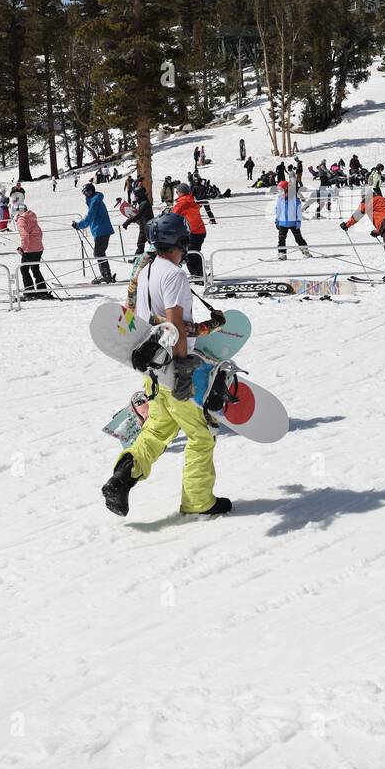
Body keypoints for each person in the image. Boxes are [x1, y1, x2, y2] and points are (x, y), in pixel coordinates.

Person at [101, 212, 230, 519]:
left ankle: (121, 479)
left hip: (153, 368)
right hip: (174, 368)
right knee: (201, 436)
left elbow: (143, 316)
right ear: (180, 240)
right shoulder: (174, 275)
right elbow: (174, 324)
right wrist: (185, 365)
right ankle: (199, 503)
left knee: (157, 431)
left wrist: (203, 326)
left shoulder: (145, 271)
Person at [341, 187, 385, 284]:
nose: (362, 198)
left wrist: (347, 224)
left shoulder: (369, 201)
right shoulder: (380, 199)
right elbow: (384, 213)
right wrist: (378, 231)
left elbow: (358, 214)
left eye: (362, 196)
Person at [73, 182, 116, 283]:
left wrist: (79, 225)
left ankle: (106, 276)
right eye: (84, 192)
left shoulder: (95, 201)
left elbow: (90, 216)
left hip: (102, 230)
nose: (85, 194)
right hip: (100, 230)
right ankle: (106, 275)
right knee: (99, 253)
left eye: (86, 192)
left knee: (98, 253)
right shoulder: (93, 199)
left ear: (91, 191)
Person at [172, 181, 216, 275]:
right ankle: (200, 275)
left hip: (194, 232)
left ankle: (198, 276)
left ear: (180, 192)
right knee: (194, 253)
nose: (176, 193)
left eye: (177, 192)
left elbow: (172, 216)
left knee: (191, 255)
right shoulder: (191, 200)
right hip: (200, 231)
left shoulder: (182, 203)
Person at [15, 202, 50, 298]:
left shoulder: (21, 219)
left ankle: (30, 291)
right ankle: (42, 290)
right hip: (38, 248)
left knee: (24, 269)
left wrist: (22, 248)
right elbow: (40, 232)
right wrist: (37, 243)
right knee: (35, 269)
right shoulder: (32, 217)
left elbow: (25, 235)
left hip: (29, 249)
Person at [275, 180, 311, 260]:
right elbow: (278, 210)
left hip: (293, 223)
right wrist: (277, 220)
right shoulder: (279, 199)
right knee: (281, 239)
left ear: (286, 189)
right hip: (282, 223)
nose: (280, 192)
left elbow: (298, 211)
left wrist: (298, 221)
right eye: (279, 190)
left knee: (298, 238)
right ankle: (282, 254)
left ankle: (305, 251)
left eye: (281, 190)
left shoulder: (294, 199)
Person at [123, 187, 155, 255]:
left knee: (153, 245)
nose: (134, 197)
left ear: (139, 195)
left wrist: (127, 222)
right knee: (140, 244)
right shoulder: (142, 202)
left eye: (135, 195)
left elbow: (138, 216)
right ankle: (137, 259)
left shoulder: (144, 203)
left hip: (148, 227)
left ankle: (160, 258)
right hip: (143, 227)